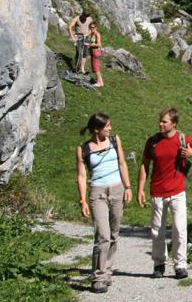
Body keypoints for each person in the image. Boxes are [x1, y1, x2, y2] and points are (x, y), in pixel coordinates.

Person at [136, 107, 192, 279]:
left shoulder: (184, 139)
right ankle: (159, 264)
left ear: (174, 124)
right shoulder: (152, 141)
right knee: (156, 231)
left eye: (164, 122)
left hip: (177, 192)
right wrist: (140, 189)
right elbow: (144, 165)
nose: (160, 124)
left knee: (180, 230)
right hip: (157, 192)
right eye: (160, 121)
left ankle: (180, 265)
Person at [76, 113, 133, 293]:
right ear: (96, 129)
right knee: (103, 235)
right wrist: (83, 199)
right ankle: (98, 277)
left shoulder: (115, 140)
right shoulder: (83, 149)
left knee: (114, 233)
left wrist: (128, 186)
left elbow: (122, 163)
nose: (110, 128)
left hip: (117, 189)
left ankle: (108, 270)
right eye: (107, 126)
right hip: (97, 192)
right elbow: (82, 175)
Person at [86, 22, 104, 87]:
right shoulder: (92, 33)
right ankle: (101, 82)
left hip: (96, 51)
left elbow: (99, 44)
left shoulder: (97, 34)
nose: (91, 29)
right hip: (93, 51)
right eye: (90, 27)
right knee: (96, 68)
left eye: (93, 27)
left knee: (96, 68)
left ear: (96, 28)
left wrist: (89, 45)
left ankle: (98, 83)